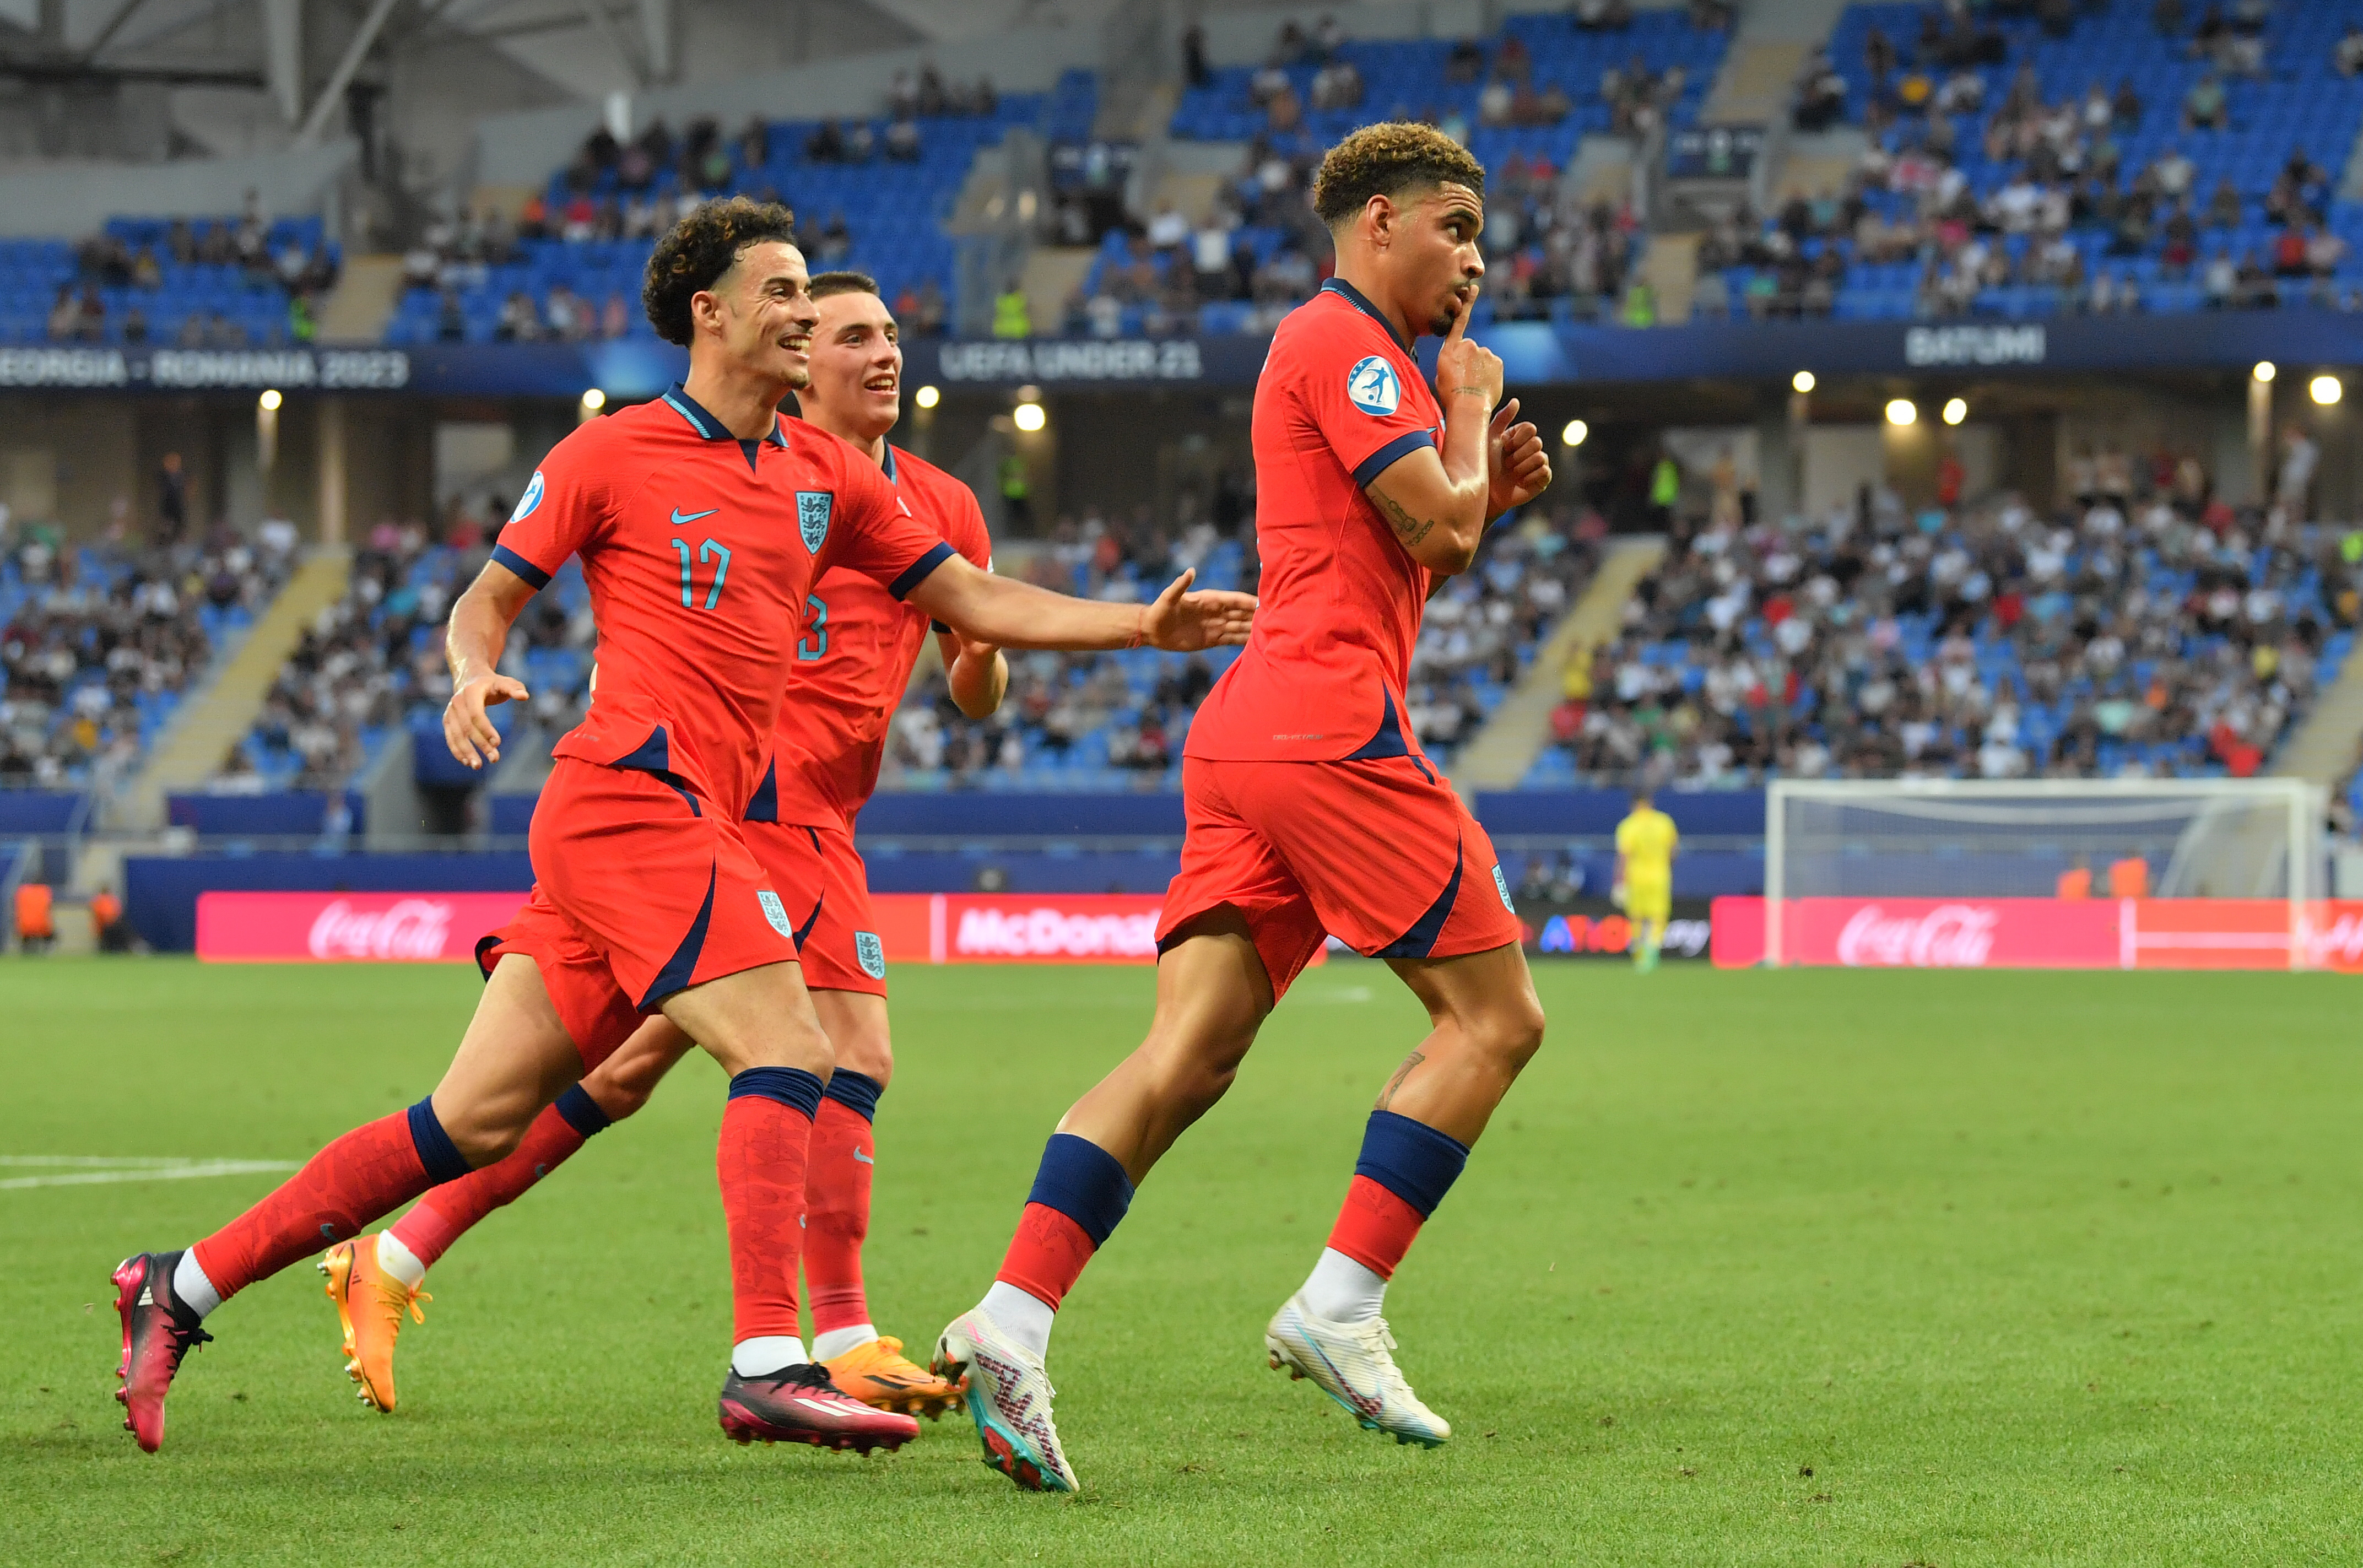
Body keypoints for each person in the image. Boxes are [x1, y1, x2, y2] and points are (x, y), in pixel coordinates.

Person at [108, 197, 1256, 1457]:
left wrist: (1138, 627)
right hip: (628, 797)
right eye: (784, 296)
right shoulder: (613, 454)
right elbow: (488, 598)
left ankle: (180, 1282)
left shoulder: (823, 474)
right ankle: (768, 1356)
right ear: (709, 311)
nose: (803, 317)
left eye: (813, 300)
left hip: (677, 818)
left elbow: (970, 597)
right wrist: (470, 670)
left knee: (467, 1121)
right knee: (793, 1043)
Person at [928, 122, 1552, 1493]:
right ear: (1377, 220)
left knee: (1187, 1055)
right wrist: (1462, 414)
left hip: (1256, 732)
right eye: (1454, 227)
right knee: (1497, 1016)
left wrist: (1474, 492)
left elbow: (1402, 558)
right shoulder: (1350, 347)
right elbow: (1433, 536)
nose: (1474, 259)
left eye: (1480, 236)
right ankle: (1337, 1304)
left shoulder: (1334, 354)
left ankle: (1011, 1316)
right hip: (1327, 730)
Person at [318, 271, 1006, 1422]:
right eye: (846, 335)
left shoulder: (932, 502)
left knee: (630, 1070)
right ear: (798, 357)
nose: (880, 354)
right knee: (836, 1052)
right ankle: (827, 1333)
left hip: (827, 814)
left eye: (890, 333)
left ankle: (397, 1256)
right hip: (739, 808)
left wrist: (975, 655)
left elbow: (973, 675)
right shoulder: (760, 474)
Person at [1613, 788, 1677, 970]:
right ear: (1650, 802)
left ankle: (1639, 954)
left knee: (1636, 917)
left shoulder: (1628, 825)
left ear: (1633, 805)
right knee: (1658, 916)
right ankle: (1652, 951)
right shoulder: (1664, 822)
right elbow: (1673, 851)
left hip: (1636, 878)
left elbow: (1623, 856)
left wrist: (1619, 881)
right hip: (1660, 876)